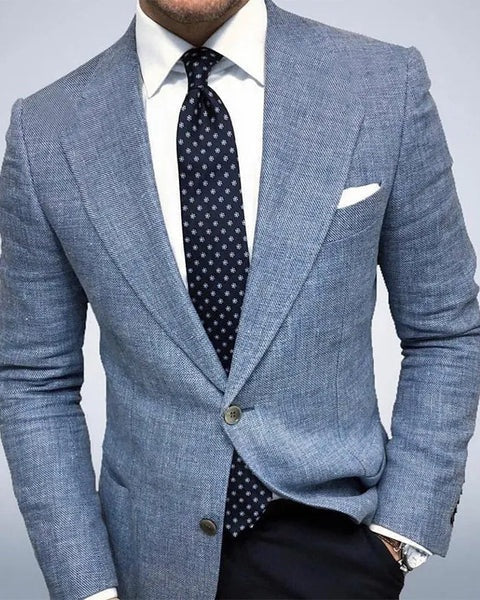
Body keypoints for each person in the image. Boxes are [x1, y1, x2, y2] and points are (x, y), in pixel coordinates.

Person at [0, 0, 479, 598]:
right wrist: (86, 586)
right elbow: (33, 377)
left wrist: (401, 532)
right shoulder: (46, 131)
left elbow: (445, 329)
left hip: (337, 548)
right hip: (145, 566)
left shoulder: (382, 86)